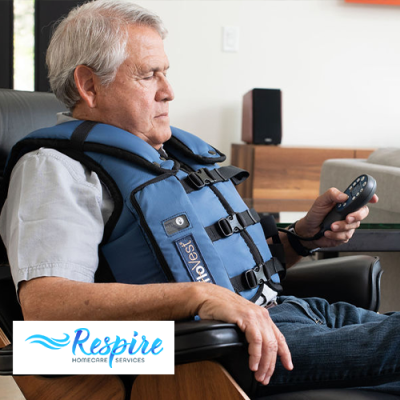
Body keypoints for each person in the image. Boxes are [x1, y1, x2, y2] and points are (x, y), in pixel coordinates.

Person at [1, 0, 399, 396]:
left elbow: (214, 267)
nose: (168, 92)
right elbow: (46, 308)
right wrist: (201, 296)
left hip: (289, 314)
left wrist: (300, 239)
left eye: (166, 73)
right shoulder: (56, 169)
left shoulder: (165, 157)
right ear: (89, 86)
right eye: (148, 75)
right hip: (215, 352)